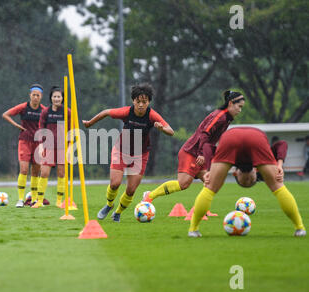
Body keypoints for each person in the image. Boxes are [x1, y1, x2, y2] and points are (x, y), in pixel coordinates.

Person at [188, 127, 306, 238]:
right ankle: (300, 228)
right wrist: (279, 164)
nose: (247, 178)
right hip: (256, 137)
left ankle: (193, 229)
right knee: (278, 186)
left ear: (235, 173)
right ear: (256, 171)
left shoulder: (237, 164)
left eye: (245, 180)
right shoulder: (258, 164)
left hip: (231, 137)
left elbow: (207, 147)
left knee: (210, 187)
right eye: (250, 180)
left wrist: (210, 169)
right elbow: (282, 144)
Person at [83, 83, 174, 222]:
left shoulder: (152, 115)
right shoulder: (127, 112)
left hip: (140, 155)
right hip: (121, 150)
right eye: (138, 101)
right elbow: (107, 112)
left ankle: (118, 212)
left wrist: (162, 128)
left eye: (144, 102)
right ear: (133, 101)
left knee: (131, 190)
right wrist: (90, 123)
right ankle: (109, 205)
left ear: (149, 102)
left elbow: (171, 131)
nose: (141, 105)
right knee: (115, 183)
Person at [142, 90, 244, 204]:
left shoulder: (227, 118)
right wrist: (201, 153)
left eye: (241, 107)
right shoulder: (220, 116)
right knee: (183, 183)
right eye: (239, 106)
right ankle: (149, 196)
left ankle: (202, 210)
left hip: (201, 153)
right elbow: (205, 133)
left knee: (210, 181)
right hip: (192, 152)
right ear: (230, 103)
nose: (240, 110)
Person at [2, 84, 46, 207]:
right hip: (25, 141)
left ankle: (34, 199)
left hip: (38, 143)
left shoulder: (44, 110)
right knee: (24, 169)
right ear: (30, 95)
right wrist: (16, 125)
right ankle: (20, 199)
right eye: (34, 95)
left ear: (41, 96)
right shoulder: (23, 107)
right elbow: (5, 114)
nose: (36, 97)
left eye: (38, 95)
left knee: (35, 171)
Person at [32, 86, 70, 208]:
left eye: (59, 96)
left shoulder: (67, 112)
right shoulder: (45, 112)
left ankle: (59, 201)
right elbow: (41, 129)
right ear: (51, 98)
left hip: (62, 147)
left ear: (62, 98)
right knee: (44, 173)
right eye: (54, 96)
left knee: (61, 173)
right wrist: (41, 146)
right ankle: (39, 201)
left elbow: (70, 130)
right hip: (48, 146)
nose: (57, 99)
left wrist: (69, 147)